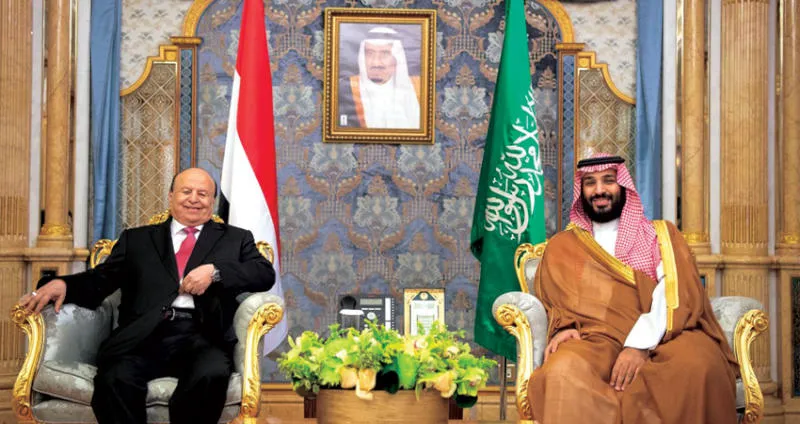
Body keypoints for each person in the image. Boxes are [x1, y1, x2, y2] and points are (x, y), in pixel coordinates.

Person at [19, 168, 274, 424]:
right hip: (141, 336)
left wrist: (215, 271)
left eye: (203, 194)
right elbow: (101, 279)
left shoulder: (236, 239)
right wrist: (63, 284)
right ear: (171, 196)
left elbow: (263, 274)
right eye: (186, 191)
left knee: (210, 375)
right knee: (115, 379)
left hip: (202, 336)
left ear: (212, 201)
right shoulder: (136, 240)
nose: (194, 199)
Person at [528, 154, 738, 423]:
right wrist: (563, 326)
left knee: (699, 365)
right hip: (595, 340)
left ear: (623, 185)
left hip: (664, 335)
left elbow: (672, 291)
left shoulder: (658, 235)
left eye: (608, 180)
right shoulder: (563, 245)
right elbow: (558, 298)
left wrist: (639, 346)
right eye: (590, 183)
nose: (599, 190)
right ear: (582, 190)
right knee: (561, 371)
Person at [337, 26, 421, 129]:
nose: (376, 63)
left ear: (398, 58)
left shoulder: (419, 88)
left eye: (385, 53)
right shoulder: (345, 88)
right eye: (369, 53)